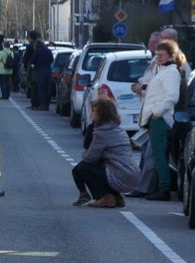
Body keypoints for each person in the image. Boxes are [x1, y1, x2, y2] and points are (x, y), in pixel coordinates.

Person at [136, 39, 185, 201]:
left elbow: (172, 96)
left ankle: (164, 188)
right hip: (156, 118)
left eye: (162, 55)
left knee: (159, 155)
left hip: (160, 119)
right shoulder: (163, 71)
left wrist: (156, 113)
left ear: (171, 55)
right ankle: (157, 187)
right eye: (157, 55)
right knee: (157, 155)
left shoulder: (171, 72)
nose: (158, 58)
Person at [71, 99, 142, 208]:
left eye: (93, 111)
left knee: (83, 168)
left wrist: (84, 154)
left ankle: (104, 197)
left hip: (121, 174)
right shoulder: (117, 128)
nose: (91, 114)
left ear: (101, 114)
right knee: (88, 168)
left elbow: (90, 158)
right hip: (131, 173)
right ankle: (116, 197)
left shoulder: (103, 132)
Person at [26, 31, 54, 111]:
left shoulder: (37, 52)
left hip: (39, 72)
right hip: (48, 71)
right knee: (47, 89)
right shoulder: (48, 51)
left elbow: (32, 61)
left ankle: (42, 105)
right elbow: (51, 60)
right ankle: (46, 104)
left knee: (41, 89)